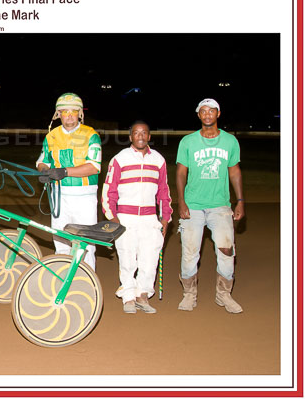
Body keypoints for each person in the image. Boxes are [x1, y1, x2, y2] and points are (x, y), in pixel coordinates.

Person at [175, 98, 245, 314]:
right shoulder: (188, 141)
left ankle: (224, 294)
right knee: (190, 251)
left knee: (226, 249)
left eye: (211, 110)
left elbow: (234, 171)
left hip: (220, 205)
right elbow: (181, 172)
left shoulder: (230, 141)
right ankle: (189, 294)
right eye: (203, 111)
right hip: (193, 205)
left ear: (218, 113)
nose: (207, 114)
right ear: (198, 115)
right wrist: (181, 201)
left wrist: (240, 201)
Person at [101, 121, 172, 314]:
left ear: (149, 136)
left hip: (150, 218)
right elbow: (109, 191)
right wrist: (113, 217)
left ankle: (142, 295)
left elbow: (164, 192)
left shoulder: (158, 160)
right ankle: (128, 297)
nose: (140, 136)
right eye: (136, 133)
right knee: (127, 259)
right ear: (130, 136)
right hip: (126, 217)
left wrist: (165, 218)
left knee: (149, 259)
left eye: (144, 133)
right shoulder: (120, 159)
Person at [36, 92, 102, 268]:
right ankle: (62, 279)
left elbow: (94, 166)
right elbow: (42, 161)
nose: (70, 116)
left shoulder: (91, 135)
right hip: (59, 197)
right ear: (58, 114)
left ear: (80, 113)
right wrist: (44, 171)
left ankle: (86, 281)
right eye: (65, 112)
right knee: (61, 243)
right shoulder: (51, 136)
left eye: (74, 111)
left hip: (84, 198)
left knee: (85, 245)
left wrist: (65, 172)